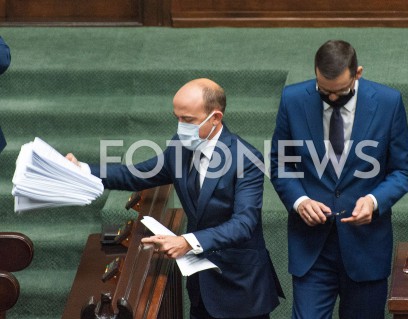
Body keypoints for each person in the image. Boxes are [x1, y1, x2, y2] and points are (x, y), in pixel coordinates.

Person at [67, 78, 283, 319]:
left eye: (188, 120)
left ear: (215, 118)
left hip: (240, 286)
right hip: (202, 287)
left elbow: (244, 223)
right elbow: (134, 175)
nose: (181, 127)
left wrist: (187, 242)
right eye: (177, 118)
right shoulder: (179, 148)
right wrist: (82, 170)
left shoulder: (246, 159)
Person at [270, 40, 408, 319]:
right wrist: (300, 201)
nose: (332, 99)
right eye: (324, 91)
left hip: (365, 247)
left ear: (357, 73)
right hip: (312, 248)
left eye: (340, 91)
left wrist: (374, 201)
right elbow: (281, 164)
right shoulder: (293, 99)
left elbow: (404, 171)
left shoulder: (388, 102)